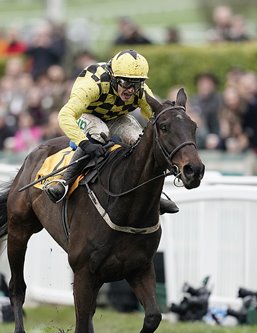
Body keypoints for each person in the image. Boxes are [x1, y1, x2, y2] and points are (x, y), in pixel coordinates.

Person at [45, 49, 179, 214]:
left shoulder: (141, 91)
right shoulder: (93, 86)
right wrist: (84, 143)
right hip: (88, 114)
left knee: (139, 140)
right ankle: (64, 182)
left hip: (117, 116)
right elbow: (65, 115)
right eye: (125, 82)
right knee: (99, 132)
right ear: (114, 78)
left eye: (136, 83)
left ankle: (153, 196)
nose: (131, 90)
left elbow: (156, 116)